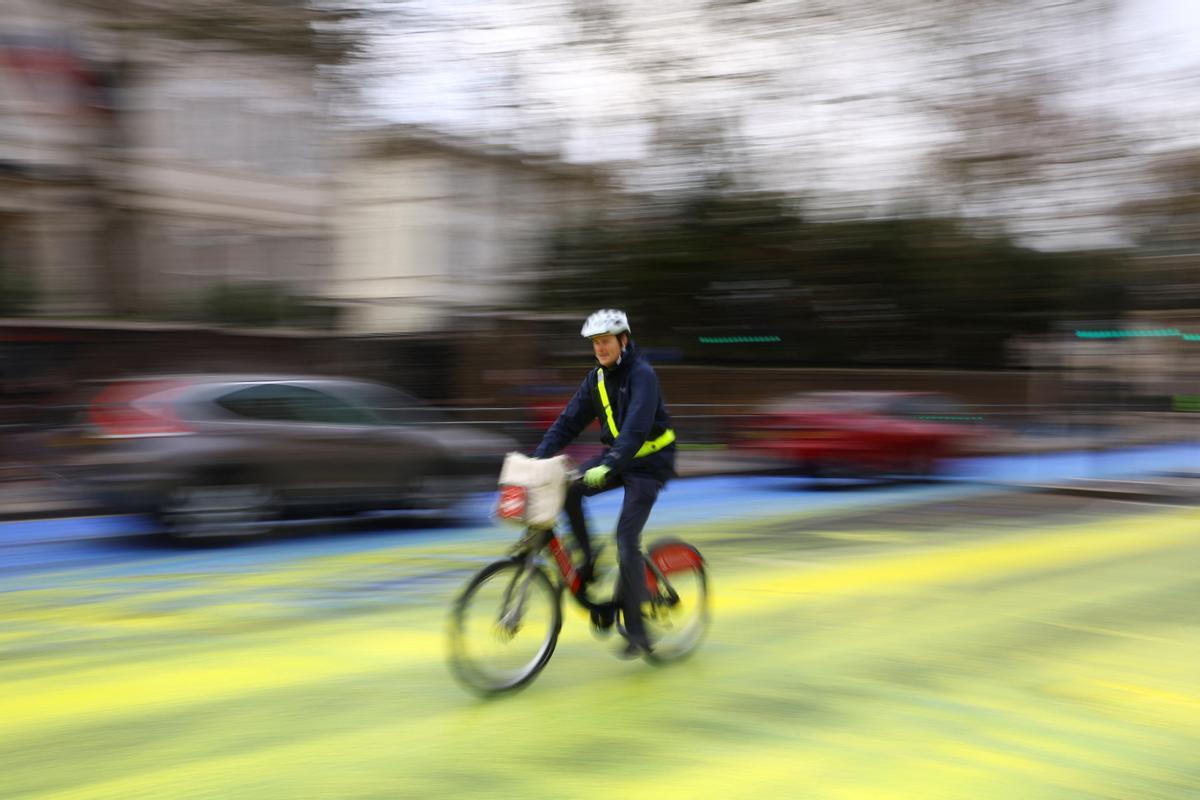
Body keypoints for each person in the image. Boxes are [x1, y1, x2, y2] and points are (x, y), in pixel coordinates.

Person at [533, 309, 676, 657]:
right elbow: (568, 423)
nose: (600, 348)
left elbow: (637, 429)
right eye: (596, 343)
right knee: (568, 490)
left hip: (648, 464)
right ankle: (590, 560)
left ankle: (638, 631)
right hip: (617, 460)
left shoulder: (642, 375)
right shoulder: (595, 379)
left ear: (623, 340)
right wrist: (535, 463)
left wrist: (610, 462)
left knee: (626, 538)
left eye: (606, 341)